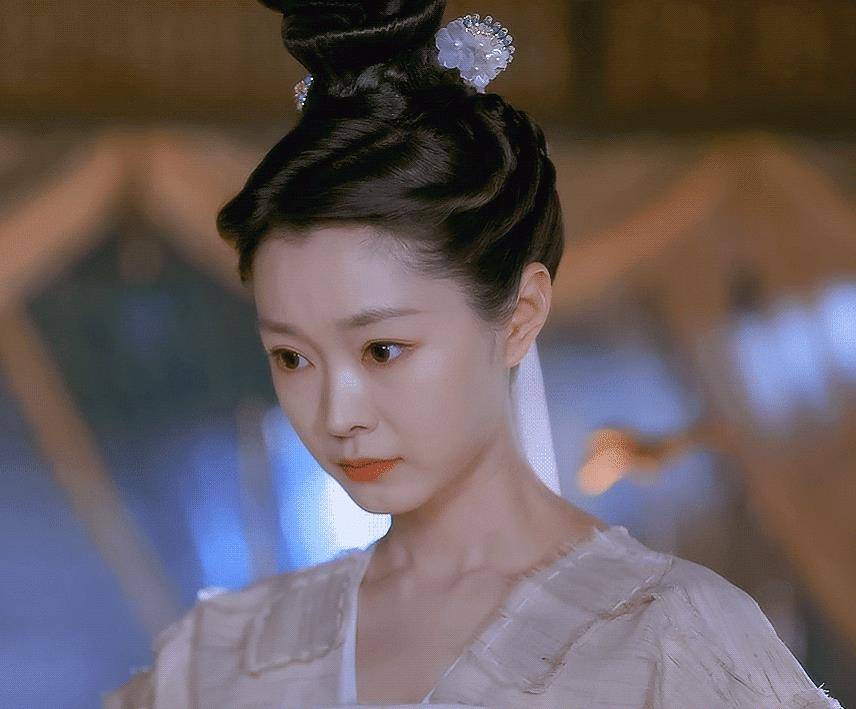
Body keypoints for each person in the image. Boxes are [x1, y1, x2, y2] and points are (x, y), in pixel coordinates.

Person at [103, 1, 843, 707]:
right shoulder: (227, 656)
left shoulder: (667, 636)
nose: (336, 414)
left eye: (382, 349)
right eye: (292, 357)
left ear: (519, 316)